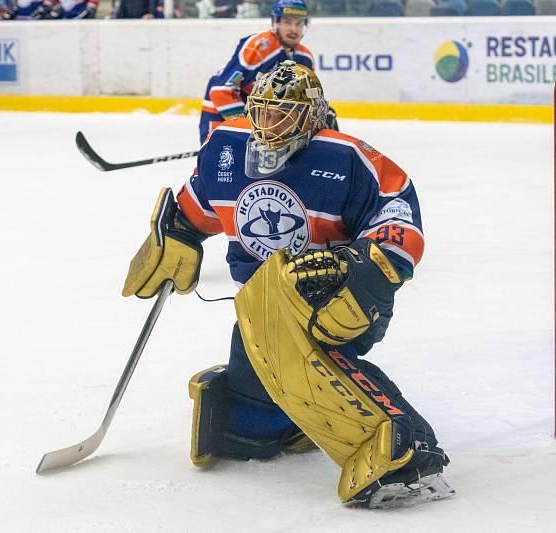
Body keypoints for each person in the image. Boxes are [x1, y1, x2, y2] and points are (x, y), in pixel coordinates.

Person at [122, 60, 454, 508]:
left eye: (283, 113)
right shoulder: (226, 149)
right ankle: (282, 421)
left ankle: (406, 450)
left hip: (344, 295)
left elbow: (399, 215)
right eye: (262, 110)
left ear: (312, 116)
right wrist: (178, 233)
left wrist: (364, 266)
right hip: (260, 303)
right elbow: (194, 206)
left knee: (295, 352)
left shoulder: (346, 157)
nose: (268, 123)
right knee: (247, 426)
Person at [198, 0, 337, 144]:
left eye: (299, 23)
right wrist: (253, 128)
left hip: (267, 119)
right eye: (287, 22)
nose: (293, 29)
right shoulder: (260, 45)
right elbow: (221, 91)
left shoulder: (305, 58)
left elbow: (306, 101)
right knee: (219, 162)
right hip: (222, 111)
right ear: (275, 23)